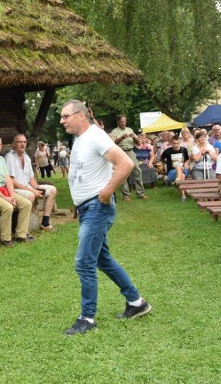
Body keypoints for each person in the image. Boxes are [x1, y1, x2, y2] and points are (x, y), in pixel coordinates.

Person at [59, 100, 151, 336]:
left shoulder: (96, 136)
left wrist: (107, 191)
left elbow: (126, 163)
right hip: (88, 207)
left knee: (84, 262)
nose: (62, 120)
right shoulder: (80, 138)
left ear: (80, 115)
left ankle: (87, 318)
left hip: (97, 207)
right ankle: (136, 302)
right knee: (102, 259)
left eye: (65, 116)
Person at [6, 135, 58, 232]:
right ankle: (24, 229)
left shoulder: (26, 157)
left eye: (24, 142)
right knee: (31, 195)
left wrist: (37, 188)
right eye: (19, 142)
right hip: (15, 189)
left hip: (28, 187)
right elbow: (12, 182)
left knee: (52, 190)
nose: (22, 144)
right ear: (14, 144)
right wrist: (32, 191)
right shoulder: (10, 158)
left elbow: (31, 178)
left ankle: (45, 223)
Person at [109, 115, 147, 201]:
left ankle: (141, 193)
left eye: (124, 121)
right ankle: (126, 195)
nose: (123, 123)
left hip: (130, 151)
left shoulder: (129, 129)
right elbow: (113, 143)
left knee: (137, 171)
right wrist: (122, 137)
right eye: (121, 122)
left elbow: (138, 143)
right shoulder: (114, 131)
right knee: (123, 174)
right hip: (120, 152)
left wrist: (134, 137)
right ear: (118, 122)